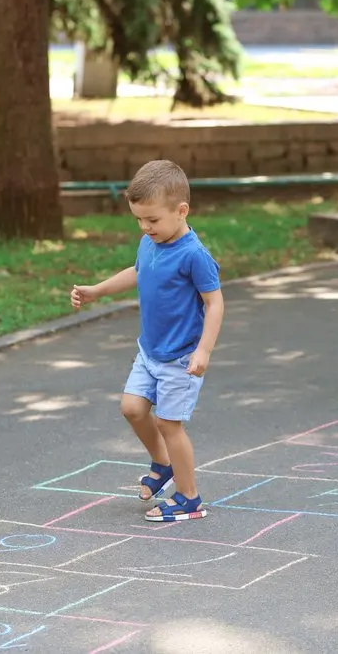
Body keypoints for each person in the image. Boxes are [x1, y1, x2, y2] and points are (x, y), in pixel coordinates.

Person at [70, 160, 224, 520]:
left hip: (180, 358)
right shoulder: (149, 242)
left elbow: (215, 303)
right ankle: (163, 463)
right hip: (150, 352)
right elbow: (137, 272)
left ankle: (189, 497)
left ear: (180, 211)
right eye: (139, 219)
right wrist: (98, 291)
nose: (145, 226)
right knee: (133, 408)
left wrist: (204, 350)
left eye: (152, 220)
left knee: (170, 423)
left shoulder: (194, 255)